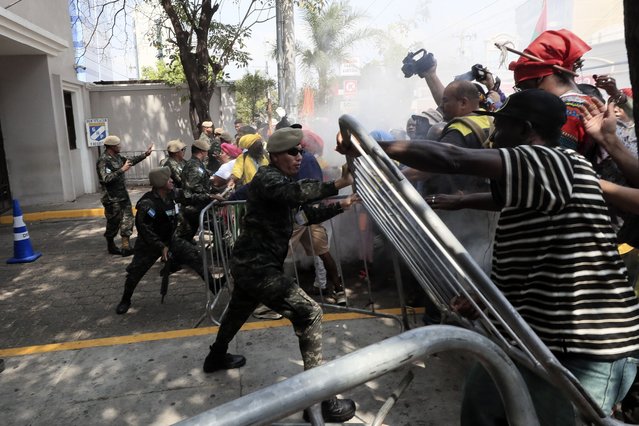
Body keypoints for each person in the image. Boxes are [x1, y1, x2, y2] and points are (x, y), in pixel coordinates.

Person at [338, 89, 639, 425]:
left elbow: (453, 156)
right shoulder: (543, 175)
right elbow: (529, 244)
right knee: (482, 410)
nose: (494, 135)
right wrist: (490, 296)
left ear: (525, 130)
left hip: (583, 349)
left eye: (502, 127)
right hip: (531, 337)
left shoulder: (551, 161)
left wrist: (374, 148)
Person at [202, 127, 359, 423]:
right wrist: (339, 182)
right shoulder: (268, 178)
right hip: (257, 267)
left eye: (301, 151)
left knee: (237, 311)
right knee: (310, 313)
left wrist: (342, 205)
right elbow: (295, 194)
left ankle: (215, 357)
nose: (299, 157)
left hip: (253, 265)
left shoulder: (280, 181)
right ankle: (317, 401)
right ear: (275, 156)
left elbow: (301, 215)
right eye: (293, 152)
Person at [114, 167, 217, 315]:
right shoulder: (147, 203)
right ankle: (125, 299)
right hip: (149, 245)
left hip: (170, 239)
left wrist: (211, 196)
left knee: (194, 255)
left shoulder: (172, 194)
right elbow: (144, 230)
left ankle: (215, 286)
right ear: (160, 182)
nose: (171, 180)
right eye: (168, 179)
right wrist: (161, 247)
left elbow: (190, 197)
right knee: (135, 273)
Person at [508, 29, 598, 163]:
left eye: (524, 87)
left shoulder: (566, 111)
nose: (524, 94)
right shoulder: (585, 102)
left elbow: (550, 164)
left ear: (539, 79)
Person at [96, 135, 153, 256]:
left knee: (128, 219)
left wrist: (145, 155)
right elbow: (105, 178)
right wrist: (122, 170)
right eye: (118, 145)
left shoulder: (117, 157)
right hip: (112, 199)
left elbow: (130, 161)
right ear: (111, 147)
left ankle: (126, 246)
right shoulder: (103, 160)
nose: (120, 146)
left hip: (123, 195)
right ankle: (110, 244)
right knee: (114, 223)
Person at [178, 138, 215, 241]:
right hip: (194, 207)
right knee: (183, 238)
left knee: (185, 237)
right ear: (201, 151)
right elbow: (190, 193)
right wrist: (210, 196)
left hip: (198, 206)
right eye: (206, 151)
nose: (207, 154)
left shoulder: (197, 164)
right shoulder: (194, 166)